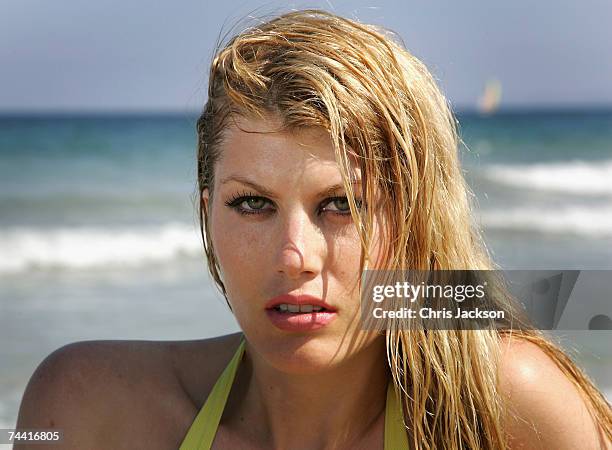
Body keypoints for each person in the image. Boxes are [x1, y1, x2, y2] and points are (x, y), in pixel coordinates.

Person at [16, 9, 611, 450]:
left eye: (341, 204)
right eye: (251, 204)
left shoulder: (505, 410)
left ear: (410, 218)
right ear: (206, 213)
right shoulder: (86, 410)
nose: (294, 255)